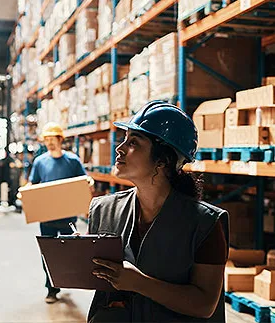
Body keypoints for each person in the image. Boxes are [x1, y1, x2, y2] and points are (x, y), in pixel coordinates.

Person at [87, 101, 229, 322]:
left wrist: (138, 282)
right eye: (124, 139)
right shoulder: (103, 210)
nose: (120, 148)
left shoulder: (205, 224)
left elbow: (204, 304)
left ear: (162, 161)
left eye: (133, 142)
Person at [26, 122, 91, 304]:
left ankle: (66, 280)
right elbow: (34, 184)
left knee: (69, 252)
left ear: (60, 139)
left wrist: (89, 182)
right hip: (47, 216)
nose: (49, 142)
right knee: (48, 252)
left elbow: (83, 180)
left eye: (52, 138)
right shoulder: (40, 162)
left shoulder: (72, 160)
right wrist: (25, 192)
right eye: (46, 139)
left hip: (67, 216)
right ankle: (51, 288)